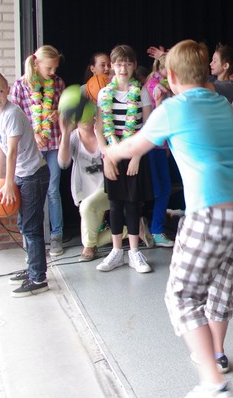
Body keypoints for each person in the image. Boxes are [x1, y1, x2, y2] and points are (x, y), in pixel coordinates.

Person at [102, 39, 233, 398]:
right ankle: (215, 355)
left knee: (181, 297)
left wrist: (109, 151)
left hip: (210, 212)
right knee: (219, 284)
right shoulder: (221, 103)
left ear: (170, 76)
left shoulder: (174, 108)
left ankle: (212, 383)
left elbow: (133, 146)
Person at [0, 70, 51, 297]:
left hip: (33, 174)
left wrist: (9, 183)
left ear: (8, 90)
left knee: (31, 226)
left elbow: (11, 152)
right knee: (23, 224)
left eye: (0, 91)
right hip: (20, 174)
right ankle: (32, 267)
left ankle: (38, 278)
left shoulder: (12, 114)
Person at [94, 44, 154, 275]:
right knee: (115, 204)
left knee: (132, 203)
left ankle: (134, 252)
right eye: (119, 64)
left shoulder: (141, 92)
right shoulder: (104, 93)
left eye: (128, 64)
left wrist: (137, 156)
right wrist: (107, 157)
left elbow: (147, 127)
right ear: (112, 66)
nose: (123, 68)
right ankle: (116, 251)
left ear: (134, 65)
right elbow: (100, 128)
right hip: (112, 154)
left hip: (135, 154)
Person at [9, 45, 66, 257]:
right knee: (30, 194)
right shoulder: (21, 85)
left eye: (55, 68)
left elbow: (66, 109)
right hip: (31, 148)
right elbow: (15, 117)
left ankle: (57, 235)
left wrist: (57, 112)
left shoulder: (58, 83)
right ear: (37, 64)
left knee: (53, 191)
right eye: (49, 68)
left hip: (53, 143)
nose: (53, 72)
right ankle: (31, 239)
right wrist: (33, 134)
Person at [58, 115, 112, 262]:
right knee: (91, 237)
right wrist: (65, 134)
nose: (85, 119)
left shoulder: (103, 132)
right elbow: (63, 163)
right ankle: (131, 230)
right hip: (84, 190)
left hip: (106, 188)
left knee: (87, 209)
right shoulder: (74, 137)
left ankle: (88, 247)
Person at [144, 54, 173, 247]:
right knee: (159, 189)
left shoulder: (167, 86)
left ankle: (156, 229)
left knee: (164, 188)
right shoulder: (155, 87)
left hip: (161, 145)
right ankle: (151, 229)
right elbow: (157, 117)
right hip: (151, 145)